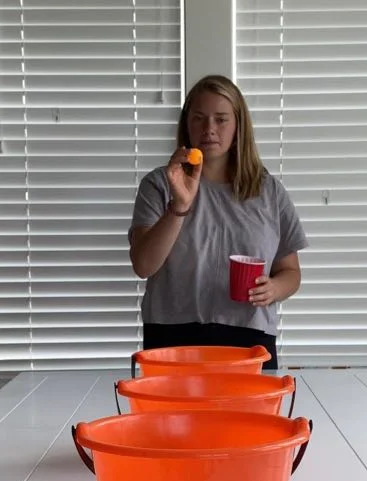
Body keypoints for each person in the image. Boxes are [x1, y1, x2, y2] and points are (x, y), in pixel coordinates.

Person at [128, 75, 308, 370]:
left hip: (250, 335)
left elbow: (290, 272)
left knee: (246, 417)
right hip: (171, 333)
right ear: (187, 124)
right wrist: (180, 207)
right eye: (199, 119)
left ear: (238, 126)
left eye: (221, 120)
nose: (209, 129)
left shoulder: (268, 191)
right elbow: (143, 265)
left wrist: (274, 288)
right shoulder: (158, 185)